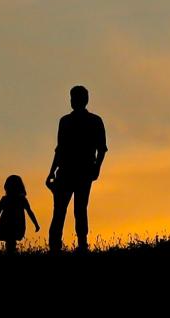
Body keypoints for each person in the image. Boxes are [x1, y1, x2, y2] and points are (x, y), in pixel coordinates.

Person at [46, 84, 108, 252]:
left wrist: (97, 168)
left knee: (77, 209)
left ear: (85, 100)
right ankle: (56, 246)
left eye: (77, 98)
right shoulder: (65, 121)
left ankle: (80, 244)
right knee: (63, 210)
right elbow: (60, 149)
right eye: (72, 98)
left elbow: (101, 148)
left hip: (82, 171)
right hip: (68, 171)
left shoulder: (93, 121)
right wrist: (52, 172)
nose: (74, 101)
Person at [0, 174, 40, 254]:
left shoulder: (8, 199)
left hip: (8, 224)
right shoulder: (21, 199)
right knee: (11, 242)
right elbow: (29, 212)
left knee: (10, 242)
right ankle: (11, 252)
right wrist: (36, 224)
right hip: (15, 224)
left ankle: (10, 252)